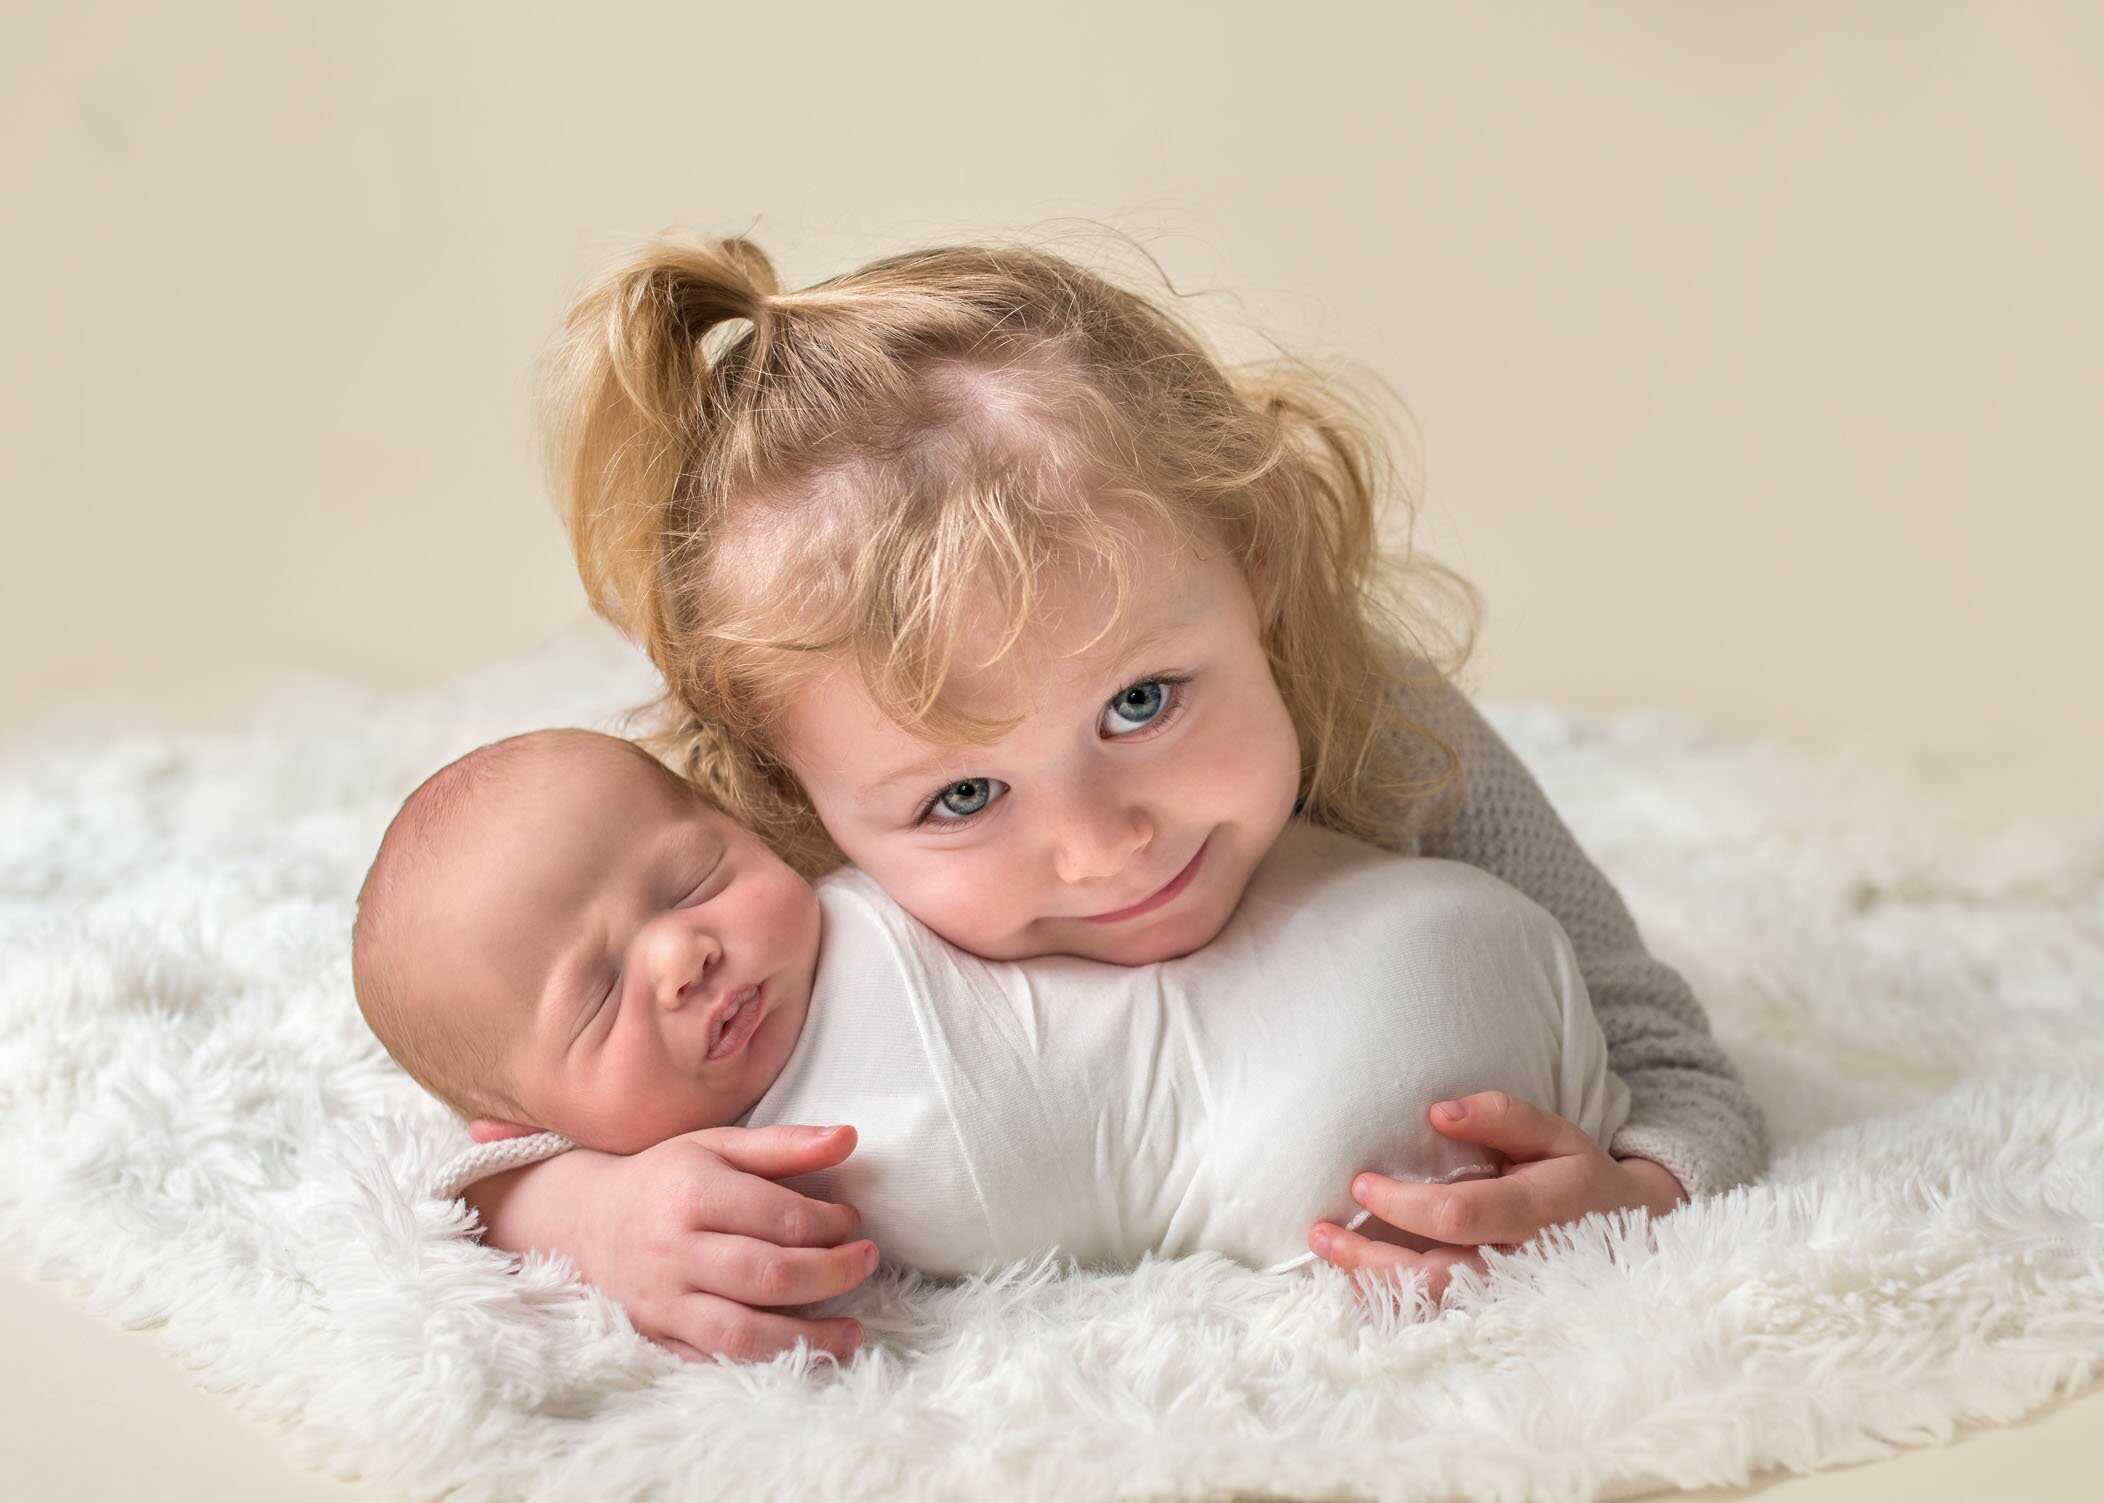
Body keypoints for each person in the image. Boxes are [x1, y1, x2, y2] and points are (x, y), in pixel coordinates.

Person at [460, 228, 1767, 1363]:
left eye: (1141, 702)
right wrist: (578, 1209)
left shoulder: (1388, 726)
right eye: (964, 793)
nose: (1097, 845)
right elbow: (476, 1069)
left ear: (1253, 557)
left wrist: (1642, 1186)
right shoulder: (754, 880)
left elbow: (1668, 1056)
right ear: (786, 791)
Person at [355, 728, 1630, 1364]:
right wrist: (574, 1207)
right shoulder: (679, 1169)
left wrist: (1646, 1180)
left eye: (694, 879)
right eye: (595, 997)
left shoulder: (899, 863)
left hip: (1386, 964)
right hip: (1357, 1099)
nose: (680, 956)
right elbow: (459, 1176)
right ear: (526, 1110)